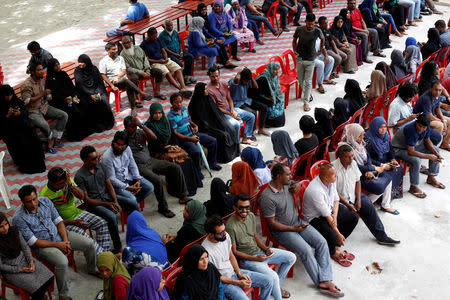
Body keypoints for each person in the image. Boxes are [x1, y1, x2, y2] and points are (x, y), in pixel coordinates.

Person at [259, 164, 345, 297]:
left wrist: (298, 184)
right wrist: (292, 229)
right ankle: (322, 282)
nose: (290, 176)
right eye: (287, 174)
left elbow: (296, 182)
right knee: (306, 250)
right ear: (278, 176)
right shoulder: (267, 197)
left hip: (298, 222)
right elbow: (272, 224)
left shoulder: (287, 184)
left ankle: (325, 279)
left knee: (322, 242)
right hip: (283, 231)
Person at [13, 185, 97, 300]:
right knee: (62, 262)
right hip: (43, 246)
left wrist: (65, 241)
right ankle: (63, 295)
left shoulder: (46, 201)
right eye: (28, 202)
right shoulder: (18, 218)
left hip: (60, 236)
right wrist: (58, 245)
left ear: (37, 196)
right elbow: (34, 242)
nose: (33, 204)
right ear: (22, 202)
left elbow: (59, 221)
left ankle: (93, 269)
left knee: (89, 243)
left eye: (34, 199)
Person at [226, 194, 297, 300]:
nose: (245, 210)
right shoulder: (230, 226)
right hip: (248, 259)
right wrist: (255, 258)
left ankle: (275, 287)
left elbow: (255, 236)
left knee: (292, 257)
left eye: (247, 207)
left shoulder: (250, 216)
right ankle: (277, 292)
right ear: (235, 207)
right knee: (273, 277)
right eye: (241, 208)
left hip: (260, 252)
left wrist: (266, 248)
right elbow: (234, 252)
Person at [332, 144, 400, 244]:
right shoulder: (333, 168)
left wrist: (358, 200)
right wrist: (348, 205)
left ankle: (382, 236)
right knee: (351, 217)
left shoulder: (353, 163)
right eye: (348, 157)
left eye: (352, 156)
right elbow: (334, 192)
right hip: (339, 202)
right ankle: (336, 243)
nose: (351, 159)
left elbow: (357, 181)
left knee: (368, 206)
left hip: (353, 196)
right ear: (341, 156)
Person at [124, 115, 189, 217]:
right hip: (139, 167)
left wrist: (141, 125)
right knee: (157, 181)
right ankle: (163, 208)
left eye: (134, 127)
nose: (133, 129)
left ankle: (183, 195)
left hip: (151, 161)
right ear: (125, 127)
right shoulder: (123, 137)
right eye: (130, 127)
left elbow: (154, 138)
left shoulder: (139, 132)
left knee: (175, 168)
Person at [40, 166, 111, 255]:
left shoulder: (67, 181)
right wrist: (73, 222)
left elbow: (82, 196)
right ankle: (106, 259)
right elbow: (51, 222)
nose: (63, 186)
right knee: (88, 241)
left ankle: (105, 258)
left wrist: (70, 184)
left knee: (102, 223)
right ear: (51, 182)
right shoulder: (43, 197)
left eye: (64, 183)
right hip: (64, 224)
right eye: (60, 184)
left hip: (77, 214)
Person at [202, 215, 274, 300]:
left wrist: (239, 273)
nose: (225, 233)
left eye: (224, 230)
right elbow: (217, 277)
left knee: (269, 281)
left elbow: (231, 255)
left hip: (234, 272)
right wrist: (238, 283)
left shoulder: (225, 236)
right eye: (221, 233)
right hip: (224, 283)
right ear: (210, 234)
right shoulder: (206, 252)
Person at [302, 164, 359, 266]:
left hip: (329, 210)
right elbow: (327, 216)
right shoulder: (316, 190)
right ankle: (332, 252)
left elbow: (336, 199)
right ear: (325, 177)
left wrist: (335, 216)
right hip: (314, 218)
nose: (336, 176)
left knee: (353, 217)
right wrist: (338, 233)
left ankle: (336, 245)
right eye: (334, 175)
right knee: (333, 234)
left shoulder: (330, 181)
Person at [144, 102, 203, 193]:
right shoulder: (149, 126)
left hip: (170, 147)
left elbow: (173, 136)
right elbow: (153, 146)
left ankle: (193, 185)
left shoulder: (165, 121)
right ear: (151, 113)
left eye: (160, 113)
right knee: (178, 165)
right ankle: (180, 191)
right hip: (159, 151)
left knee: (187, 159)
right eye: (155, 113)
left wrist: (175, 146)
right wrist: (168, 149)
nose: (158, 115)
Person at [75, 146, 124, 253]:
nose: (97, 160)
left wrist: (115, 201)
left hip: (107, 197)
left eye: (97, 157)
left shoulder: (101, 166)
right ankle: (118, 247)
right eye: (93, 159)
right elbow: (87, 199)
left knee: (131, 202)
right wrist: (107, 204)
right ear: (85, 160)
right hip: (94, 204)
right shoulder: (79, 176)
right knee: (112, 217)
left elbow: (109, 185)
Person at [342, 124, 398, 214]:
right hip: (356, 176)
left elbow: (368, 157)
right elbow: (356, 167)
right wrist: (373, 168)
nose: (362, 138)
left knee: (388, 177)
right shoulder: (346, 149)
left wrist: (370, 169)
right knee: (380, 187)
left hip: (366, 170)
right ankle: (365, 205)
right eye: (360, 136)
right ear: (353, 135)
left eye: (363, 135)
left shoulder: (359, 144)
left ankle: (385, 205)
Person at [167, 92, 221, 179]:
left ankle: (212, 163)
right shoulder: (171, 116)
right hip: (184, 139)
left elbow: (189, 120)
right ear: (172, 103)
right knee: (196, 152)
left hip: (192, 134)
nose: (179, 104)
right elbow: (176, 133)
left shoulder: (184, 109)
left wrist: (195, 125)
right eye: (176, 102)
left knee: (213, 141)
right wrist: (190, 139)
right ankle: (197, 171)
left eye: (181, 101)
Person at [0, 212, 54, 300]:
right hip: (11, 270)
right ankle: (39, 296)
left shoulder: (14, 231)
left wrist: (31, 261)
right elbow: (1, 265)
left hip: (24, 260)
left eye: (6, 224)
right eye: (1, 226)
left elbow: (25, 247)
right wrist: (19, 269)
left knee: (49, 277)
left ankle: (40, 296)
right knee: (37, 290)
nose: (5, 228)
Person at [392, 113, 444, 198]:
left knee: (436, 150)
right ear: (416, 122)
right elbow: (411, 152)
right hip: (398, 149)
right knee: (416, 160)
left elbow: (427, 141)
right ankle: (413, 186)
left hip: (412, 146)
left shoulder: (425, 127)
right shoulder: (411, 129)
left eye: (424, 127)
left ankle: (431, 177)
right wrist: (429, 156)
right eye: (419, 126)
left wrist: (436, 154)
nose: (421, 129)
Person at [101, 131, 154, 212]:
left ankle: (130, 206)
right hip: (116, 186)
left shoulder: (127, 149)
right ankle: (131, 206)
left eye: (122, 145)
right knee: (132, 199)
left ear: (126, 145)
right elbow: (112, 179)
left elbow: (132, 164)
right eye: (117, 144)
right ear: (113, 142)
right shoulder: (107, 157)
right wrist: (128, 188)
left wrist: (137, 179)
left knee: (149, 187)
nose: (119, 147)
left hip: (128, 177)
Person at [21, 63, 68, 154]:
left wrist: (47, 96)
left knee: (64, 115)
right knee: (45, 125)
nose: (42, 71)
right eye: (39, 70)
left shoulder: (42, 79)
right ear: (33, 72)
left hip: (44, 107)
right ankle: (49, 143)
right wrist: (42, 94)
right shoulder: (26, 84)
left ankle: (56, 139)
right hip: (32, 111)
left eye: (42, 69)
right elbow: (26, 101)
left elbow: (44, 94)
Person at [189, 82, 240, 163]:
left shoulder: (208, 98)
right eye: (205, 89)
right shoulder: (194, 104)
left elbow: (215, 112)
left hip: (213, 123)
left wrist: (220, 123)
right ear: (200, 91)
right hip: (204, 127)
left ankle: (234, 153)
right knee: (222, 135)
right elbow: (200, 120)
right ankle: (222, 157)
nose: (207, 91)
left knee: (230, 129)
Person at [0, 85, 46, 174]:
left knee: (33, 137)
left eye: (10, 95)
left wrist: (19, 113)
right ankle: (24, 164)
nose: (10, 97)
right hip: (9, 130)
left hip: (22, 125)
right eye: (7, 95)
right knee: (21, 141)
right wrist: (7, 116)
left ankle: (38, 161)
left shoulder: (16, 101)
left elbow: (25, 112)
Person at [207, 66, 257, 145]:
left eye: (217, 76)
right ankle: (236, 145)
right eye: (212, 76)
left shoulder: (223, 84)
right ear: (209, 77)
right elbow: (215, 107)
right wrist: (230, 113)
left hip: (230, 109)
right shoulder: (209, 89)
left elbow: (229, 99)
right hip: (221, 113)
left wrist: (232, 110)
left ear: (219, 75)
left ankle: (246, 138)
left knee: (251, 116)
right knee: (236, 124)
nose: (215, 78)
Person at [45, 58, 92, 141]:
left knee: (83, 103)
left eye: (58, 64)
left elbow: (71, 86)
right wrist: (64, 99)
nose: (58, 67)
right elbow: (53, 94)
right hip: (59, 101)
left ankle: (86, 130)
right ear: (51, 67)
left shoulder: (63, 73)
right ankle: (75, 135)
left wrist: (74, 96)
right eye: (55, 65)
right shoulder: (49, 78)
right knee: (72, 109)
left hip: (71, 97)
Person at [141, 28, 193, 99]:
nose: (155, 38)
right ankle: (180, 89)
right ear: (148, 35)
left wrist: (165, 58)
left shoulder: (157, 39)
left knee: (178, 68)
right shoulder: (144, 45)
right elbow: (147, 59)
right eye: (153, 37)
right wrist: (159, 61)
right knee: (167, 72)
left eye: (156, 36)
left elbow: (163, 50)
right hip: (154, 63)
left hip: (163, 60)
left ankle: (183, 87)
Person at [99, 42, 150, 110]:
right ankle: (141, 93)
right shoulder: (103, 61)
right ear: (107, 50)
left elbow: (124, 71)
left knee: (128, 84)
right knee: (126, 80)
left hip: (121, 80)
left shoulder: (120, 58)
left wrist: (117, 77)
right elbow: (103, 75)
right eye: (113, 49)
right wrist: (112, 86)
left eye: (116, 49)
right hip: (112, 81)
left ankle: (133, 108)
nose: (116, 51)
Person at [74, 54, 115, 133]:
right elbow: (80, 86)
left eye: (82, 62)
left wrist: (98, 93)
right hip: (84, 93)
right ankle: (97, 126)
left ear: (87, 62)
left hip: (97, 91)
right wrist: (90, 95)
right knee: (90, 103)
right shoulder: (77, 71)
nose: (80, 64)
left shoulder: (94, 69)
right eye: (79, 62)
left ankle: (107, 123)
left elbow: (100, 83)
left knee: (104, 101)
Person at [365, 117, 404, 200]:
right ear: (375, 127)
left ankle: (392, 195)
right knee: (387, 175)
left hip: (386, 160)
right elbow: (367, 158)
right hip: (375, 163)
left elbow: (390, 149)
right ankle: (382, 198)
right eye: (381, 127)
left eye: (385, 127)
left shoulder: (385, 135)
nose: (383, 130)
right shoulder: (368, 139)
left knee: (398, 169)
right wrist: (381, 165)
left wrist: (392, 159)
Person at [292, 13, 325, 111]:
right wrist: (295, 51)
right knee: (301, 80)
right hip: (300, 58)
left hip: (311, 59)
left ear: (314, 23)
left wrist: (320, 49)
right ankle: (308, 93)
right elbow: (294, 40)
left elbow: (322, 38)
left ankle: (306, 102)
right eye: (309, 24)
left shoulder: (317, 31)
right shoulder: (299, 29)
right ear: (305, 22)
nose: (310, 26)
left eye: (312, 24)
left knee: (308, 81)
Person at [120, 36, 165, 100]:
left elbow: (145, 59)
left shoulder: (138, 48)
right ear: (122, 44)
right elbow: (128, 68)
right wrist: (141, 73)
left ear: (131, 42)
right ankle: (137, 98)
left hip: (144, 70)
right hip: (135, 73)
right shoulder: (122, 54)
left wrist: (147, 70)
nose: (127, 44)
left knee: (159, 72)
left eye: (128, 42)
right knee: (133, 79)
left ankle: (157, 92)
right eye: (124, 43)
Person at [194, 4, 239, 69]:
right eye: (202, 10)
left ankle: (228, 60)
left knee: (231, 38)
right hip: (202, 40)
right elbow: (205, 32)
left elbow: (207, 31)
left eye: (205, 9)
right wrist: (215, 39)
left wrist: (230, 30)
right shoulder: (199, 20)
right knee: (220, 44)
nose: (204, 11)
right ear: (198, 11)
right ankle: (226, 62)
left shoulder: (206, 17)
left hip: (209, 36)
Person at [229, 68, 270, 136]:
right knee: (253, 113)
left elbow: (256, 87)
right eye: (245, 81)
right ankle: (250, 133)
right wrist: (239, 73)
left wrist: (251, 77)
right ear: (241, 78)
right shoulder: (235, 81)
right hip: (238, 104)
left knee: (264, 107)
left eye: (248, 81)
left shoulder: (248, 80)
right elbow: (236, 80)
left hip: (247, 101)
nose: (247, 83)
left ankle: (261, 129)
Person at [413, 80, 450, 151]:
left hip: (431, 116)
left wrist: (442, 119)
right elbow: (429, 115)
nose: (438, 92)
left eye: (440, 90)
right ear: (430, 89)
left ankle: (444, 144)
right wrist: (441, 121)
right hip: (421, 120)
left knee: (447, 121)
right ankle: (431, 147)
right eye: (436, 90)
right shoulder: (426, 98)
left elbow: (437, 109)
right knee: (440, 125)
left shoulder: (437, 96)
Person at [159, 20, 196, 85]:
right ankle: (182, 79)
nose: (170, 27)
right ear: (165, 26)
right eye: (168, 26)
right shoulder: (161, 36)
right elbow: (164, 48)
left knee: (190, 57)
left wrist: (181, 51)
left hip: (178, 51)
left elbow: (180, 42)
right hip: (170, 54)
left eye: (171, 25)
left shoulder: (175, 32)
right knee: (179, 64)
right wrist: (175, 54)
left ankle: (186, 76)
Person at [255, 62, 286, 127]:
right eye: (275, 70)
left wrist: (275, 97)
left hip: (271, 97)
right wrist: (267, 98)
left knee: (281, 121)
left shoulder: (274, 76)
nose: (277, 72)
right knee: (271, 108)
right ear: (270, 69)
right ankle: (266, 122)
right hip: (261, 98)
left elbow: (277, 89)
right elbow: (256, 94)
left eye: (278, 70)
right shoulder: (263, 79)